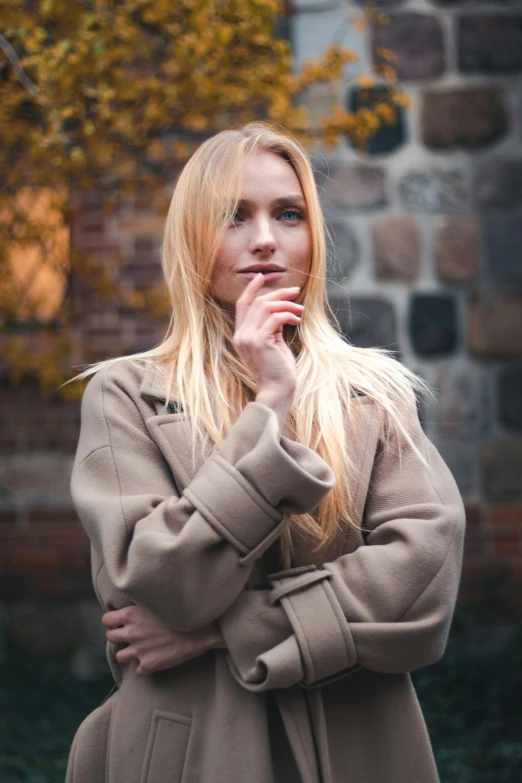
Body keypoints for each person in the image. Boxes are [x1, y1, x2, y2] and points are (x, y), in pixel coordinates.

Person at [65, 122, 466, 783]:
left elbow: (423, 584)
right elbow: (159, 585)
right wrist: (269, 406)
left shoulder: (373, 393)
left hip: (359, 745)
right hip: (191, 748)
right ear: (193, 237)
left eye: (288, 213)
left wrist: (226, 630)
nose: (265, 238)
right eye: (233, 215)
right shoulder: (127, 395)